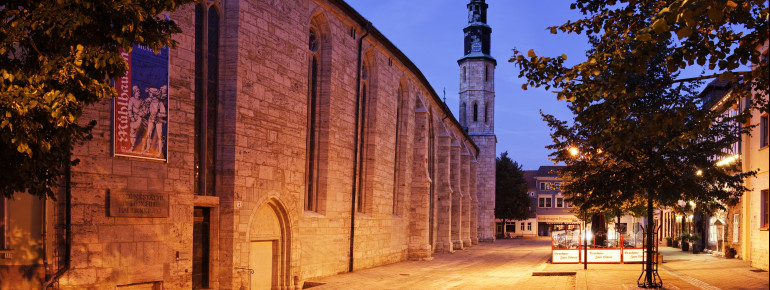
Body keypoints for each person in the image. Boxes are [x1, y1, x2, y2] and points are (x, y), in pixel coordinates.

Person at [143, 86, 167, 155]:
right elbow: (147, 111)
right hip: (151, 119)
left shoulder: (160, 103)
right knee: (148, 134)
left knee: (159, 136)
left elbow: (164, 114)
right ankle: (147, 149)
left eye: (150, 93)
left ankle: (159, 152)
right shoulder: (150, 101)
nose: (149, 94)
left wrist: (159, 115)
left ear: (153, 94)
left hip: (158, 121)